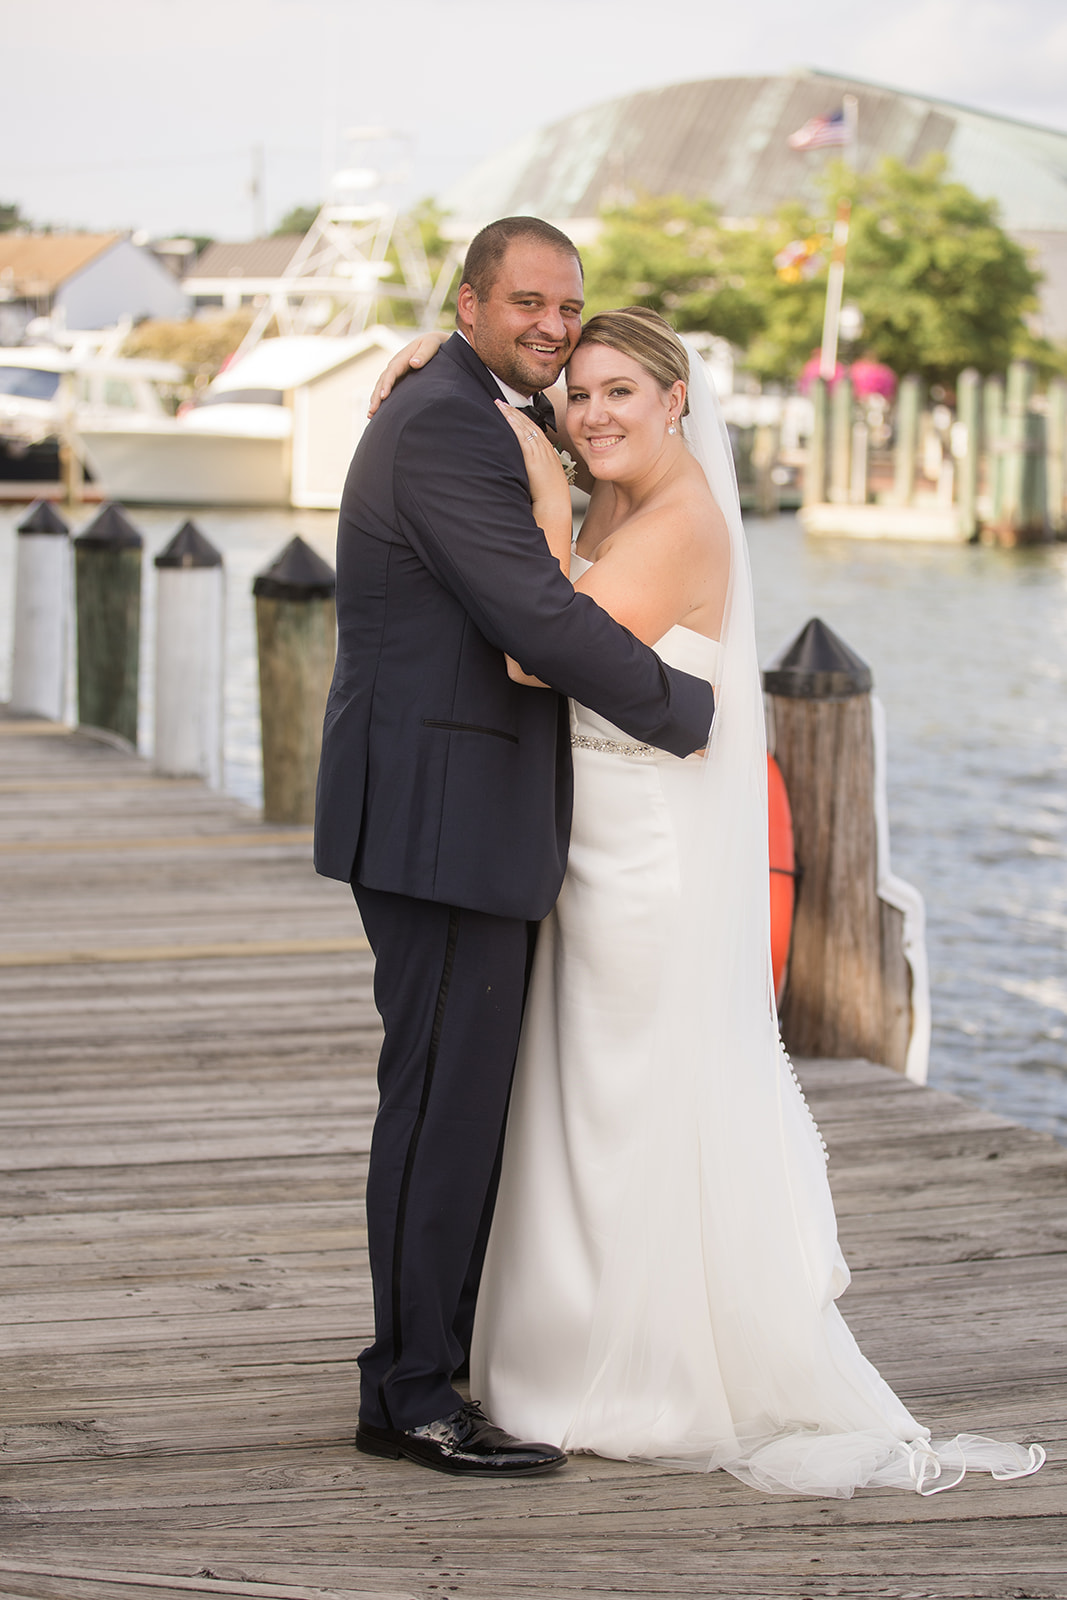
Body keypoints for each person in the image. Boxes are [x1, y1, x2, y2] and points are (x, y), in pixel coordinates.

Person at [378, 306, 1045, 1498]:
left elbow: (546, 650)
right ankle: (554, 1346)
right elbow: (513, 394)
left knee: (627, 1101)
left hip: (647, 863)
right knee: (576, 1104)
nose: (589, 413)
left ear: (675, 400)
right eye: (578, 394)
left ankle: (633, 1370)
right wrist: (440, 345)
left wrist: (539, 492)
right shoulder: (619, 495)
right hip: (590, 847)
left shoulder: (680, 519)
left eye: (618, 392)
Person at [313, 221, 715, 1478]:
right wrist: (688, 709)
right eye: (526, 304)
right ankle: (412, 1393)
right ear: (469, 302)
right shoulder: (445, 422)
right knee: (440, 1109)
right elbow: (532, 614)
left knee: (459, 1105)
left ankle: (431, 1359)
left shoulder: (484, 406)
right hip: (440, 820)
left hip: (465, 814)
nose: (551, 326)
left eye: (568, 307)